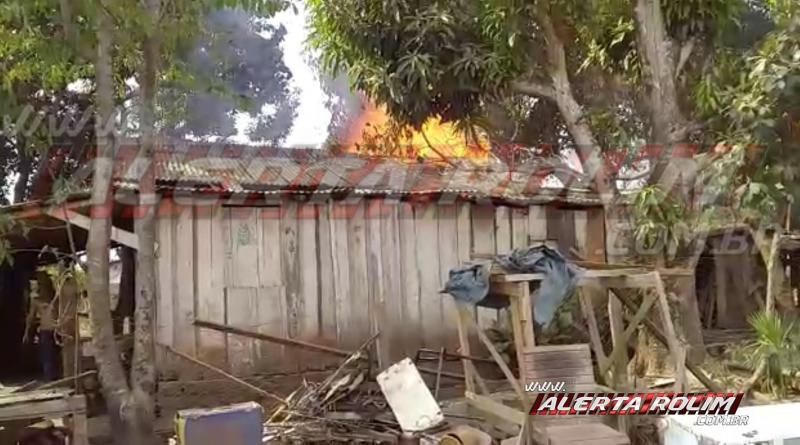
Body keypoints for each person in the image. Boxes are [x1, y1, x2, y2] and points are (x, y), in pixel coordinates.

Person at [23, 275, 59, 382]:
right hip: (49, 329)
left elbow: (30, 317)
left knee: (50, 355)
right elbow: (31, 317)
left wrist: (26, 331)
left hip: (55, 329)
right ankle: (50, 378)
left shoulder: (55, 297)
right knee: (48, 355)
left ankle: (53, 377)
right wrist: (26, 332)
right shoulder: (37, 300)